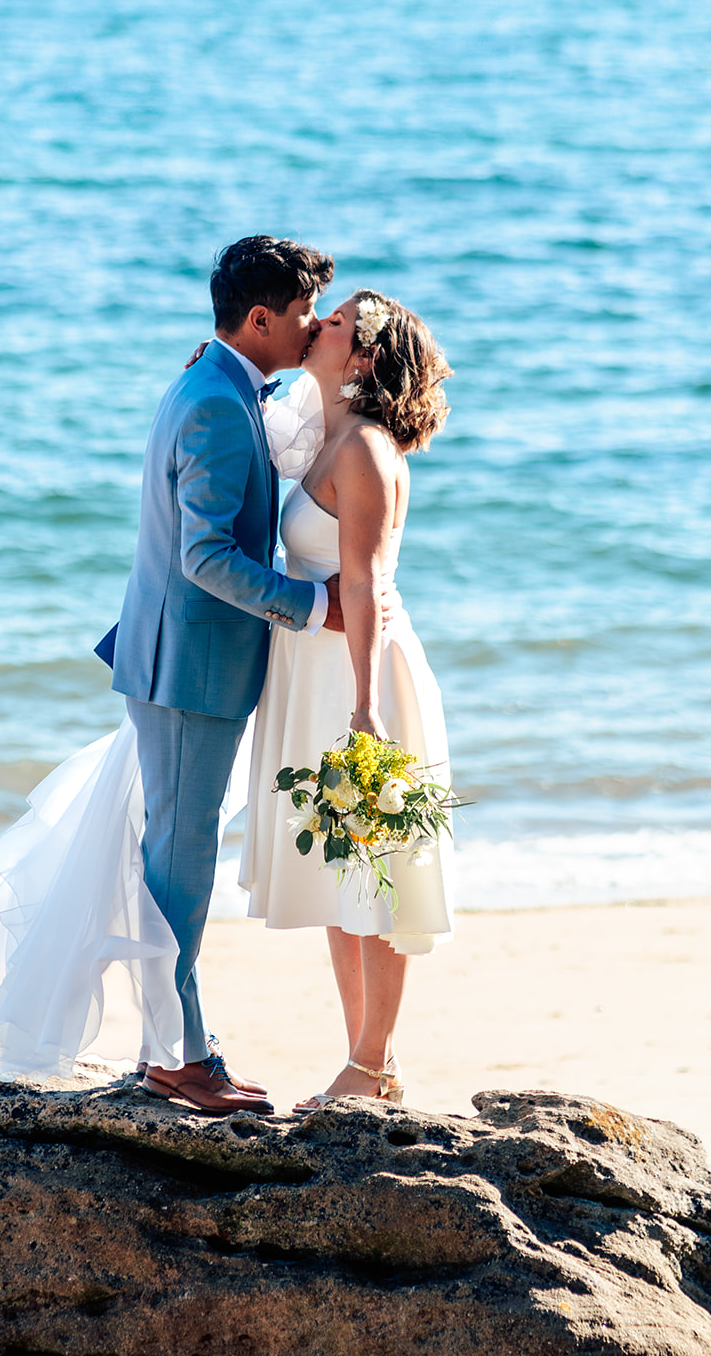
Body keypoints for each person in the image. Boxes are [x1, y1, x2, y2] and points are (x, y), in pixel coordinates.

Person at [0, 236, 342, 1112]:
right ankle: (178, 1057)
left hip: (174, 659)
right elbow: (204, 557)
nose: (311, 330)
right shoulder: (214, 404)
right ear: (260, 318)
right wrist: (314, 607)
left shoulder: (218, 382)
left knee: (170, 850)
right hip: (190, 664)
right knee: (179, 860)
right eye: (304, 315)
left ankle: (176, 1047)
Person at [239, 291, 454, 1111]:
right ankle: (372, 1065)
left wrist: (366, 709)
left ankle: (370, 1061)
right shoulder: (328, 435)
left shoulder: (362, 446)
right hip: (319, 668)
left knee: (373, 868)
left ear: (361, 357)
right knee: (342, 871)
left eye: (333, 323)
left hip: (357, 677)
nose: (316, 324)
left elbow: (361, 581)